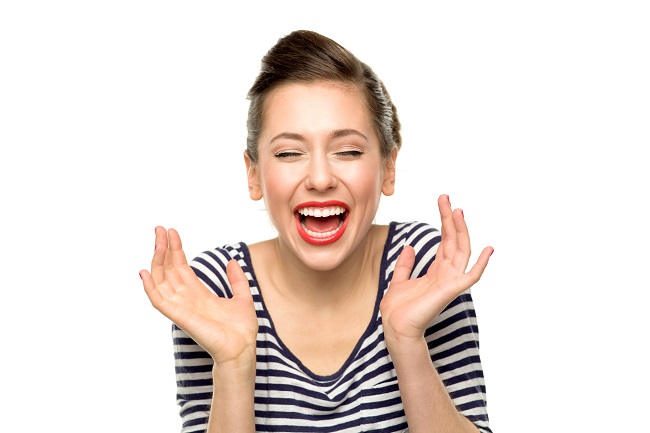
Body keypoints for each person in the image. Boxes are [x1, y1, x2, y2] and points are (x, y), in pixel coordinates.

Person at [139, 29, 494, 433]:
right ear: (254, 175)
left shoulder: (423, 268)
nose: (321, 178)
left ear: (388, 167)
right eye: (289, 153)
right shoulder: (213, 290)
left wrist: (408, 344)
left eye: (349, 151)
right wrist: (233, 364)